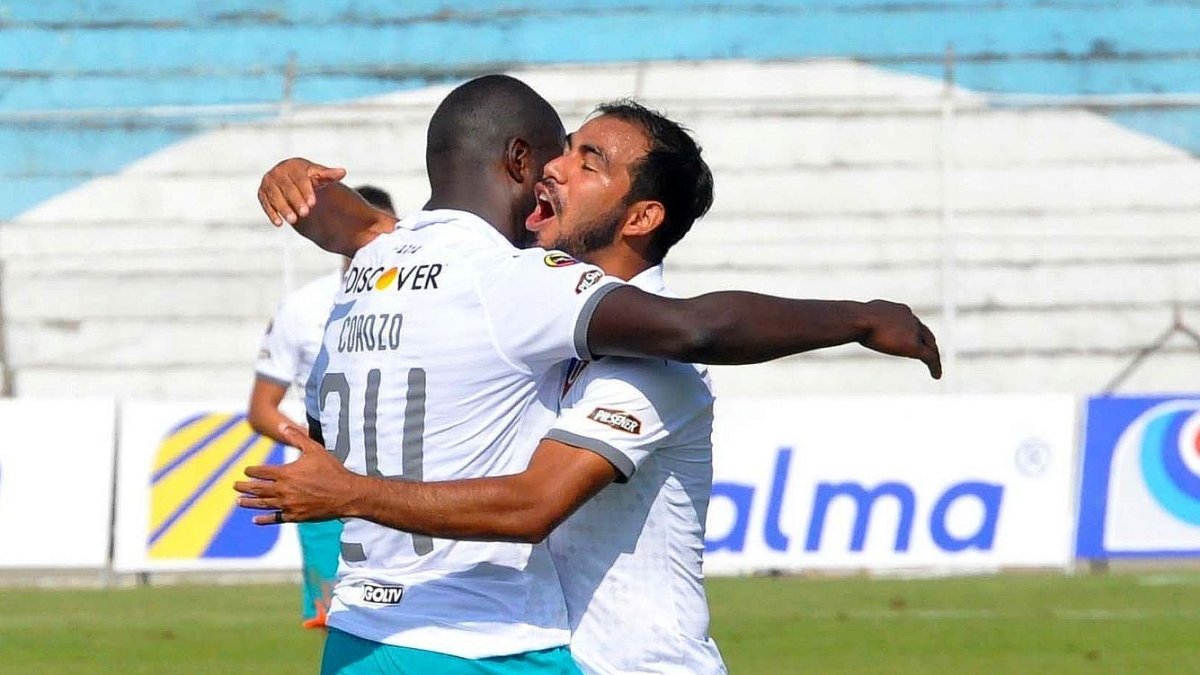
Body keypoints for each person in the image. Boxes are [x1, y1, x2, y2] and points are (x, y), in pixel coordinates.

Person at [239, 74, 939, 674]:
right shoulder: (518, 289)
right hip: (507, 645)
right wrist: (308, 191)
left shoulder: (647, 359)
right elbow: (380, 233)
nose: (557, 171)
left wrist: (862, 316)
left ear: (641, 215)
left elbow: (535, 501)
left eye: (587, 160)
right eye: (562, 151)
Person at [247, 185, 395, 629]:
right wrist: (315, 446)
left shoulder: (430, 297)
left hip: (412, 486)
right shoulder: (303, 308)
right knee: (338, 623)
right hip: (330, 489)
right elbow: (262, 409)